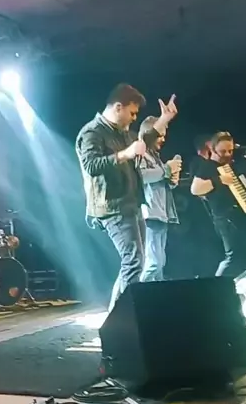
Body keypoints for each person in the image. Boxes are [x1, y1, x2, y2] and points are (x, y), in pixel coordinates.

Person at [75, 84, 178, 310]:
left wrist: (164, 120)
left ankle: (120, 313)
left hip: (131, 203)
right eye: (132, 113)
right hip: (112, 206)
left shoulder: (122, 133)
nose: (134, 118)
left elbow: (144, 141)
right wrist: (125, 154)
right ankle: (121, 316)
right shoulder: (92, 133)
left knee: (136, 263)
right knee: (133, 262)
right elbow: (91, 165)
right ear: (118, 107)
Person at [190, 131, 246, 277]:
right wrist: (219, 180)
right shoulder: (207, 166)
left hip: (241, 216)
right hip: (225, 218)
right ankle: (216, 285)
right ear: (212, 149)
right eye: (223, 151)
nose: (227, 154)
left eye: (230, 150)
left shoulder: (233, 164)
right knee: (232, 257)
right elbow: (195, 189)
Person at [138, 116, 181, 282]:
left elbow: (160, 181)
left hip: (161, 214)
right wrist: (166, 170)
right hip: (150, 215)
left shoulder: (155, 157)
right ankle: (136, 293)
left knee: (160, 264)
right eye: (160, 135)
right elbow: (141, 177)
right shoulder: (140, 154)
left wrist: (171, 180)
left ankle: (155, 293)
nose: (163, 139)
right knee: (153, 263)